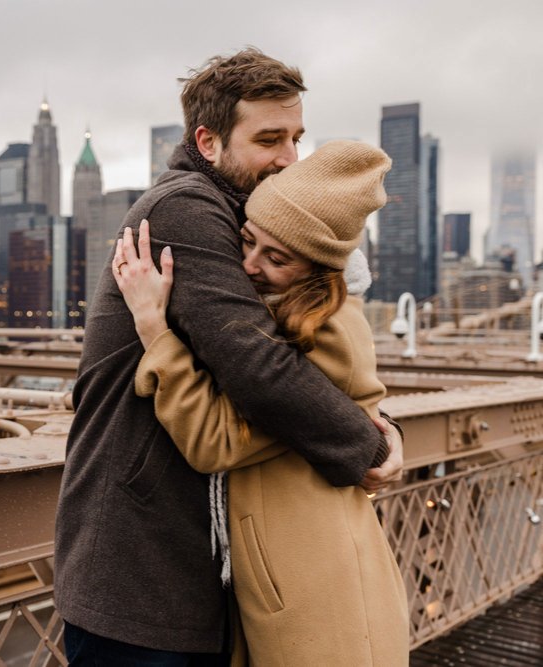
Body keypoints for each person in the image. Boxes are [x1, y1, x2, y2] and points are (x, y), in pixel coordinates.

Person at [52, 48, 403, 664]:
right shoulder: (185, 207)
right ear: (208, 141)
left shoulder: (258, 213)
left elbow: (316, 352)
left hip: (195, 570)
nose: (288, 158)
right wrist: (369, 443)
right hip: (142, 568)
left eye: (296, 137)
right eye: (269, 139)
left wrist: (379, 421)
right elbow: (258, 364)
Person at [113, 140, 410, 665]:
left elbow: (214, 442)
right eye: (246, 242)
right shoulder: (283, 315)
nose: (248, 266)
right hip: (290, 571)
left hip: (316, 590)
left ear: (320, 269)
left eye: (277, 258)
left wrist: (154, 328)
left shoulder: (328, 336)